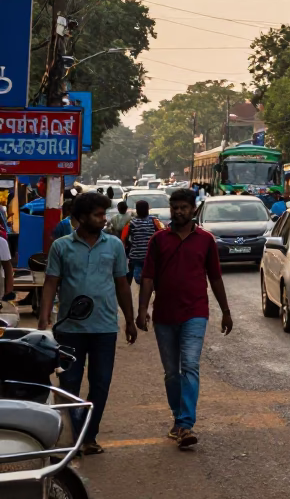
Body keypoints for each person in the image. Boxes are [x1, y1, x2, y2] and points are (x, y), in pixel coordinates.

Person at [37, 191, 137, 455]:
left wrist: (130, 319)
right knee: (69, 384)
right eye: (98, 215)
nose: (103, 219)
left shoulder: (114, 245)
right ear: (81, 218)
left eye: (104, 214)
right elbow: (51, 283)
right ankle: (76, 435)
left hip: (104, 328)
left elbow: (122, 284)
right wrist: (44, 317)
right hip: (69, 330)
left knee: (101, 383)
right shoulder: (61, 246)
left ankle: (89, 436)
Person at [136, 188, 232, 450]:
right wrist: (142, 309)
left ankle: (186, 423)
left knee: (189, 365)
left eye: (183, 208)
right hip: (164, 316)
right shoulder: (158, 240)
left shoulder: (206, 240)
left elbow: (215, 278)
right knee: (171, 373)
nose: (178, 212)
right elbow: (147, 277)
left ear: (193, 210)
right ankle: (178, 418)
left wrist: (225, 311)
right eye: (174, 207)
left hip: (195, 313)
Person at [122, 200, 163, 285]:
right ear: (148, 209)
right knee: (151, 278)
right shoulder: (154, 221)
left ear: (136, 210)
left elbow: (124, 238)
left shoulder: (131, 223)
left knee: (132, 278)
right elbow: (163, 233)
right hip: (151, 255)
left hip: (136, 256)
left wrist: (124, 251)